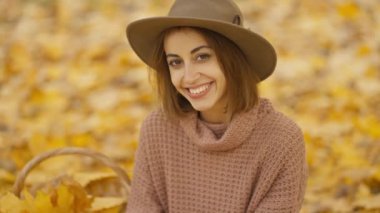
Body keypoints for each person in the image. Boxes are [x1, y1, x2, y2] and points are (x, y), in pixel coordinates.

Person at [125, 0, 308, 212]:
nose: (189, 77)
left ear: (233, 59)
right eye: (176, 62)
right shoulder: (157, 129)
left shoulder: (281, 140)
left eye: (202, 57)